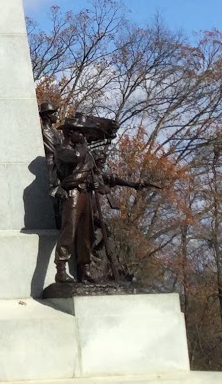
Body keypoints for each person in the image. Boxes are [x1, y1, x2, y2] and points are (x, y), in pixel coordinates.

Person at [46, 113, 154, 284]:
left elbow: (99, 174)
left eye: (83, 134)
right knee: (69, 231)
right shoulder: (62, 150)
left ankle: (86, 269)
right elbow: (75, 157)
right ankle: (61, 269)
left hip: (85, 194)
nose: (83, 136)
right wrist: (82, 144)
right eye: (79, 132)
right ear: (70, 132)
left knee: (86, 234)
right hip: (72, 193)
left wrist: (130, 184)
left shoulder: (85, 153)